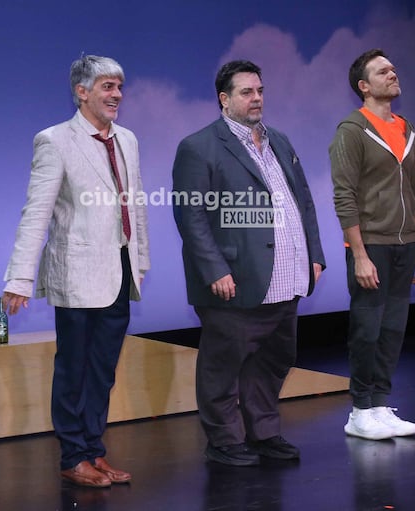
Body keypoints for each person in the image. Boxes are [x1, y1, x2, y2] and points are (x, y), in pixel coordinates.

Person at [1, 55, 150, 487]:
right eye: (107, 86)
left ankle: (93, 448)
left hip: (120, 270)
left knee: (103, 369)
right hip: (77, 271)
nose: (117, 94)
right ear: (81, 92)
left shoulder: (128, 139)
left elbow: (135, 204)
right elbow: (36, 213)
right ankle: (73, 455)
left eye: (120, 86)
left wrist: (139, 261)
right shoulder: (55, 140)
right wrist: (19, 277)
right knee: (74, 369)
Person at [172, 60, 325, 466]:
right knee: (223, 366)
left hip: (286, 277)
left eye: (259, 90)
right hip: (235, 280)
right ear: (224, 99)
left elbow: (303, 202)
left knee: (273, 362)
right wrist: (214, 269)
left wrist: (314, 254)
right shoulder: (199, 146)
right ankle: (224, 441)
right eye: (246, 92)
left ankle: (264, 434)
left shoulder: (280, 141)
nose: (256, 98)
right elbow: (192, 216)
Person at [329, 48, 415, 441]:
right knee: (367, 329)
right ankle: (359, 410)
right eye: (382, 71)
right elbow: (345, 196)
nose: (392, 73)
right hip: (371, 246)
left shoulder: (406, 129)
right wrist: (359, 255)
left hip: (406, 246)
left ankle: (380, 404)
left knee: (393, 328)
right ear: (364, 86)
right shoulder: (352, 131)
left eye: (392, 68)